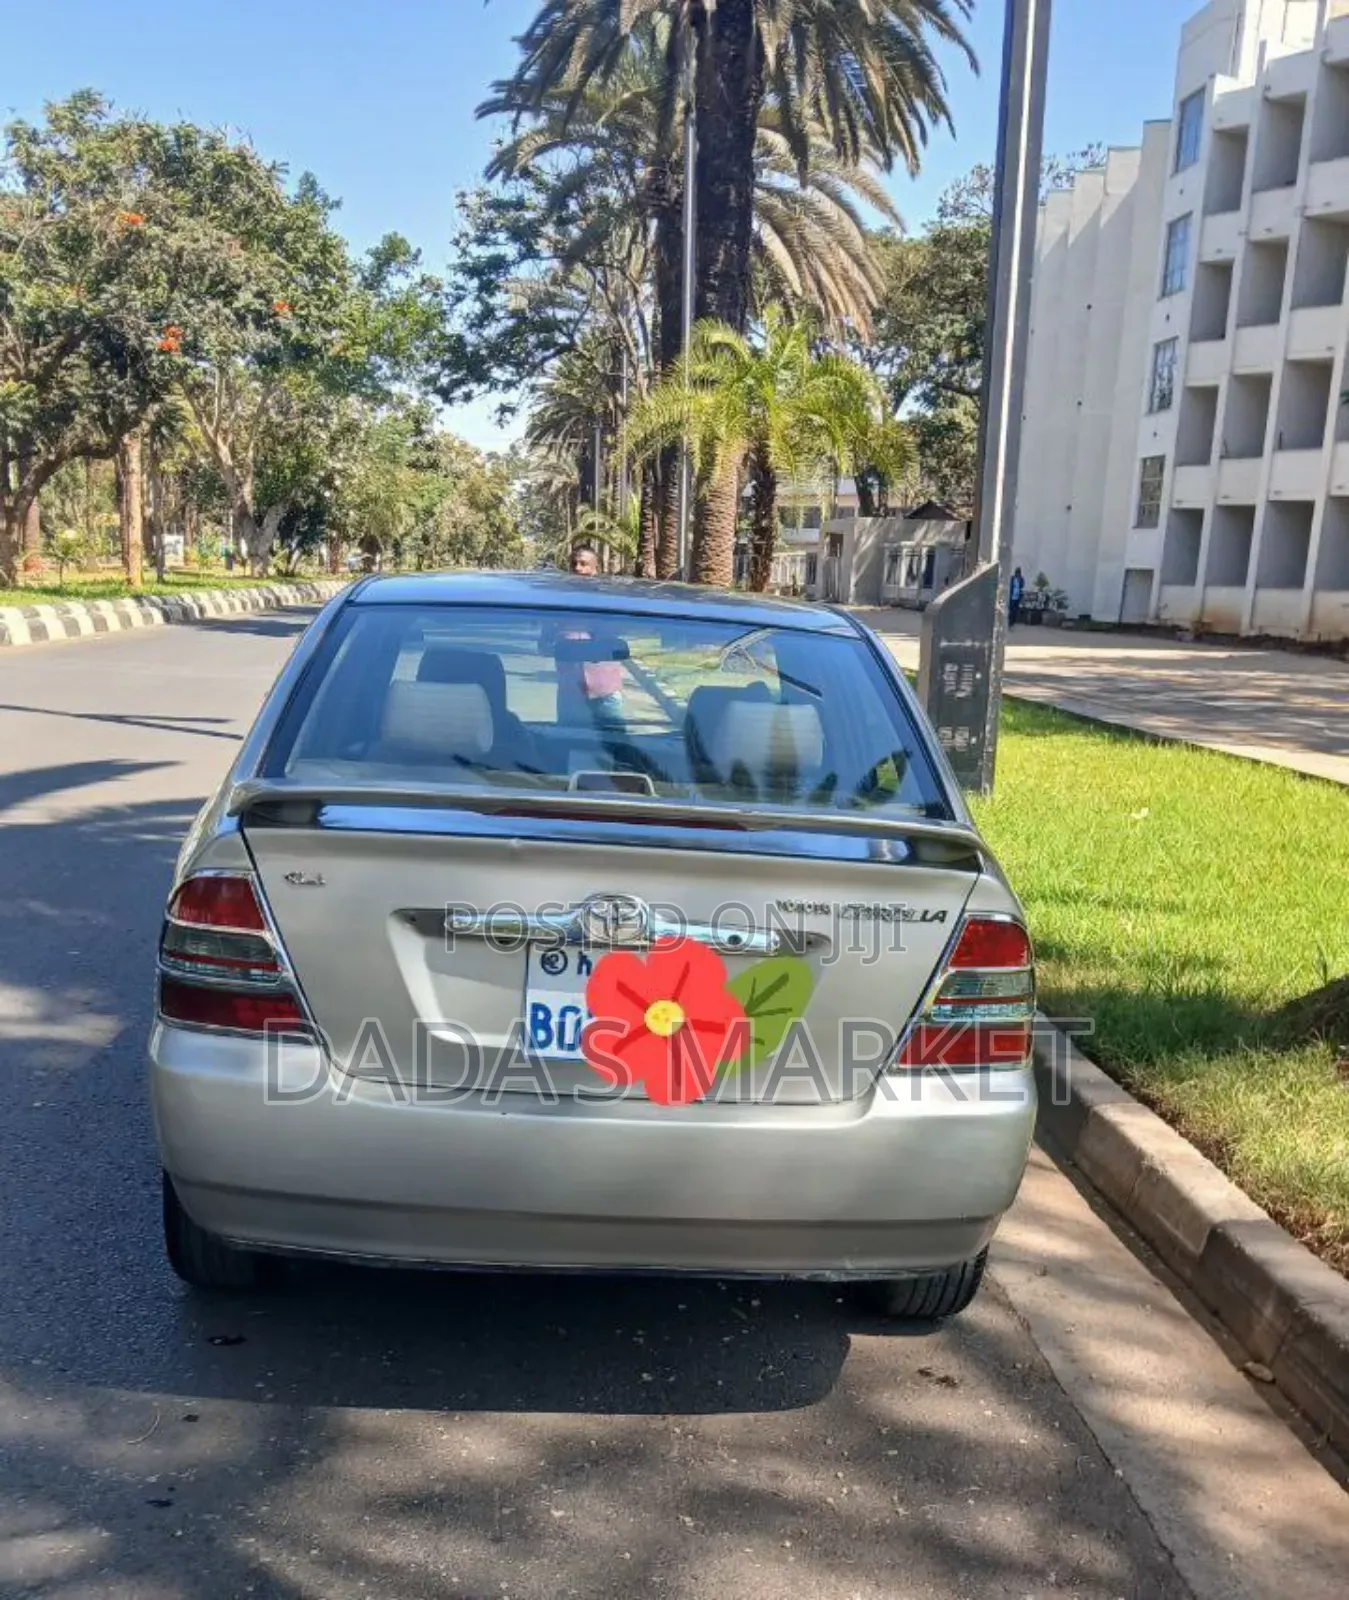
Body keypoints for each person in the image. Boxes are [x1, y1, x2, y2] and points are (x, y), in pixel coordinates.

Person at [554, 543, 624, 726]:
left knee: (618, 749)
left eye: (583, 564)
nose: (577, 568)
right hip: (570, 694)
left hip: (605, 693)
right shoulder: (556, 605)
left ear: (595, 569)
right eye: (574, 564)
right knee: (561, 749)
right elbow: (545, 644)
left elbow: (614, 641)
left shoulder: (608, 604)